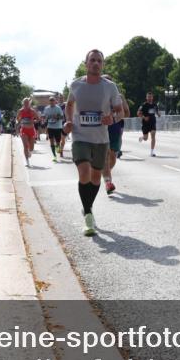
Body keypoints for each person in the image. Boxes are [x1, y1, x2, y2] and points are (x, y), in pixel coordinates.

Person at [64, 49, 124, 236]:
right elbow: (68, 105)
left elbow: (120, 111)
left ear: (103, 64)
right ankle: (88, 215)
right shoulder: (76, 85)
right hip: (80, 136)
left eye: (99, 60)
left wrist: (112, 118)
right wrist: (68, 121)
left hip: (101, 138)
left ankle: (87, 206)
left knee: (96, 177)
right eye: (92, 60)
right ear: (86, 63)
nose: (96, 63)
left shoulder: (110, 87)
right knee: (84, 173)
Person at [102, 81, 131, 194]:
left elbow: (127, 114)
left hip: (115, 129)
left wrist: (117, 111)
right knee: (106, 155)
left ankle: (105, 172)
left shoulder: (118, 97)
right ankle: (108, 182)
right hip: (101, 129)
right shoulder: (97, 95)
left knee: (113, 156)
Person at [16, 98, 40, 167]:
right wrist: (19, 122)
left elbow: (38, 119)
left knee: (31, 148)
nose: (26, 104)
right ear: (23, 103)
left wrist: (34, 121)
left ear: (29, 103)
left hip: (31, 130)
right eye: (25, 103)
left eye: (27, 103)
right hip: (24, 130)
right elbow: (17, 119)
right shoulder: (20, 111)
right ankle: (27, 161)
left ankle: (30, 152)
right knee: (25, 146)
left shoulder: (32, 111)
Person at [42, 96, 65, 162]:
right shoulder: (46, 108)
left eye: (53, 101)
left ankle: (58, 149)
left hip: (58, 127)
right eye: (50, 101)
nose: (52, 102)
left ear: (55, 101)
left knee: (58, 143)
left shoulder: (58, 108)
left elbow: (62, 117)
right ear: (49, 102)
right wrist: (44, 118)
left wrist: (56, 117)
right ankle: (54, 156)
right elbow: (44, 116)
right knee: (51, 142)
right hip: (50, 127)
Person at [137, 92, 160, 157]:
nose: (150, 98)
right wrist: (144, 117)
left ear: (152, 97)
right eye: (148, 97)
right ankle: (142, 137)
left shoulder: (155, 105)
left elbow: (157, 113)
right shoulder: (143, 105)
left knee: (153, 135)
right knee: (145, 138)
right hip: (145, 124)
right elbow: (138, 113)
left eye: (151, 97)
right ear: (146, 98)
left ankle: (152, 152)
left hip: (153, 122)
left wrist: (158, 114)